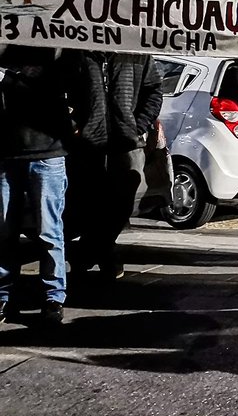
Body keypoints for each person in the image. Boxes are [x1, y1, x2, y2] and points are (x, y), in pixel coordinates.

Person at [64, 51, 163, 279]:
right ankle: (103, 255)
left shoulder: (136, 54)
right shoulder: (79, 52)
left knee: (122, 204)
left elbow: (154, 91)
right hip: (88, 142)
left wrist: (138, 125)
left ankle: (89, 252)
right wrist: (73, 125)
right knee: (89, 202)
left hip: (126, 141)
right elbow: (61, 90)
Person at [0, 47, 74, 325]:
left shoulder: (51, 50)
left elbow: (42, 88)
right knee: (4, 229)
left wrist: (6, 78)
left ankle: (53, 295)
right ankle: (3, 294)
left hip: (46, 153)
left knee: (49, 230)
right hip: (7, 153)